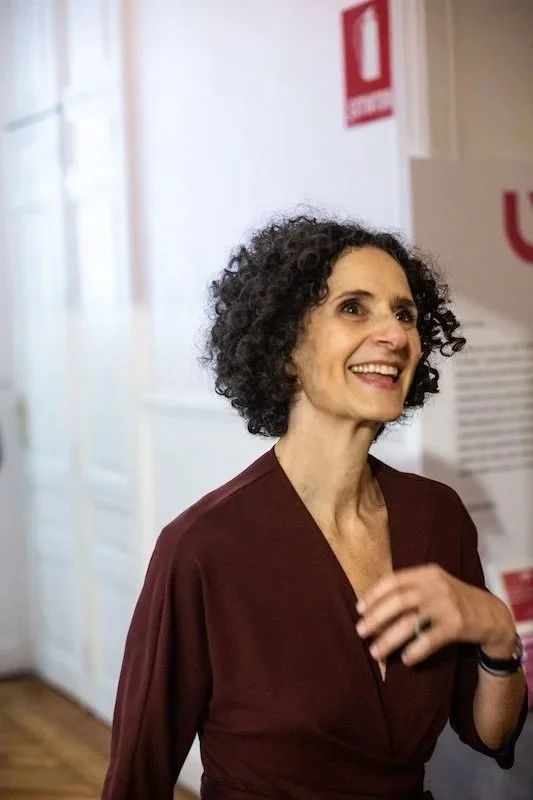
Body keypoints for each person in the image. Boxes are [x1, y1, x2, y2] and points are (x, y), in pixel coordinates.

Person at [102, 216, 528, 800]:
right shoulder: (204, 548)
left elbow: (489, 732)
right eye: (354, 308)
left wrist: (498, 632)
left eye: (404, 314)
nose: (395, 336)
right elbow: (137, 778)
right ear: (285, 346)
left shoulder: (438, 516)